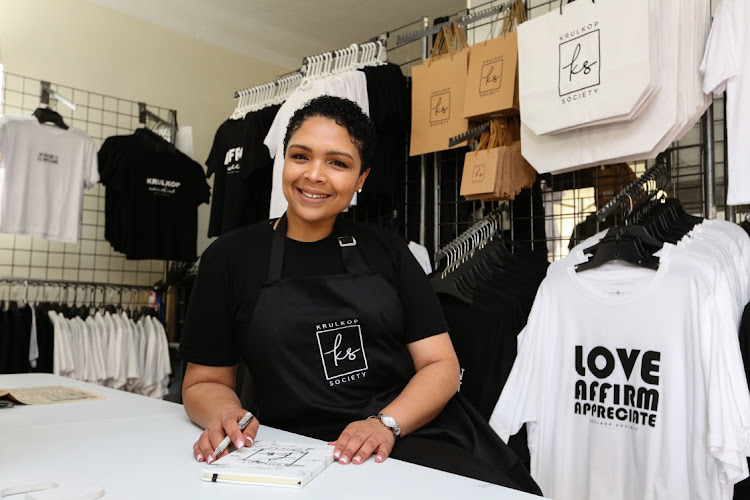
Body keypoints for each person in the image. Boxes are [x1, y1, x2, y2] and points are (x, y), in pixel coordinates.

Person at [179, 95, 541, 495]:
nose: (314, 175)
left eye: (338, 163)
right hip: (303, 451)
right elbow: (202, 382)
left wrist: (384, 424)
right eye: (301, 156)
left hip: (415, 433)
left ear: (362, 178)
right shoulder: (229, 259)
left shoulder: (387, 251)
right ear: (284, 160)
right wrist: (226, 413)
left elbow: (441, 365)